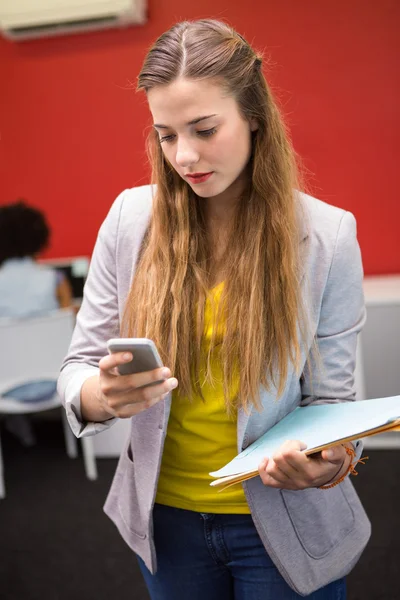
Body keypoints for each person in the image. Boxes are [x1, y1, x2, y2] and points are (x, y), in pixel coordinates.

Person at [58, 19, 370, 599]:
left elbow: (334, 407)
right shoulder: (130, 221)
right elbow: (76, 367)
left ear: (253, 114)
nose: (185, 156)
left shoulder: (325, 236)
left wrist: (326, 462)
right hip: (166, 521)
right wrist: (99, 395)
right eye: (166, 135)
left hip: (285, 520)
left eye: (204, 129)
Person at [0, 200, 73, 445]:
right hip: (55, 382)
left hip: (5, 387)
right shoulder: (55, 280)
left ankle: (16, 427)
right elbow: (70, 323)